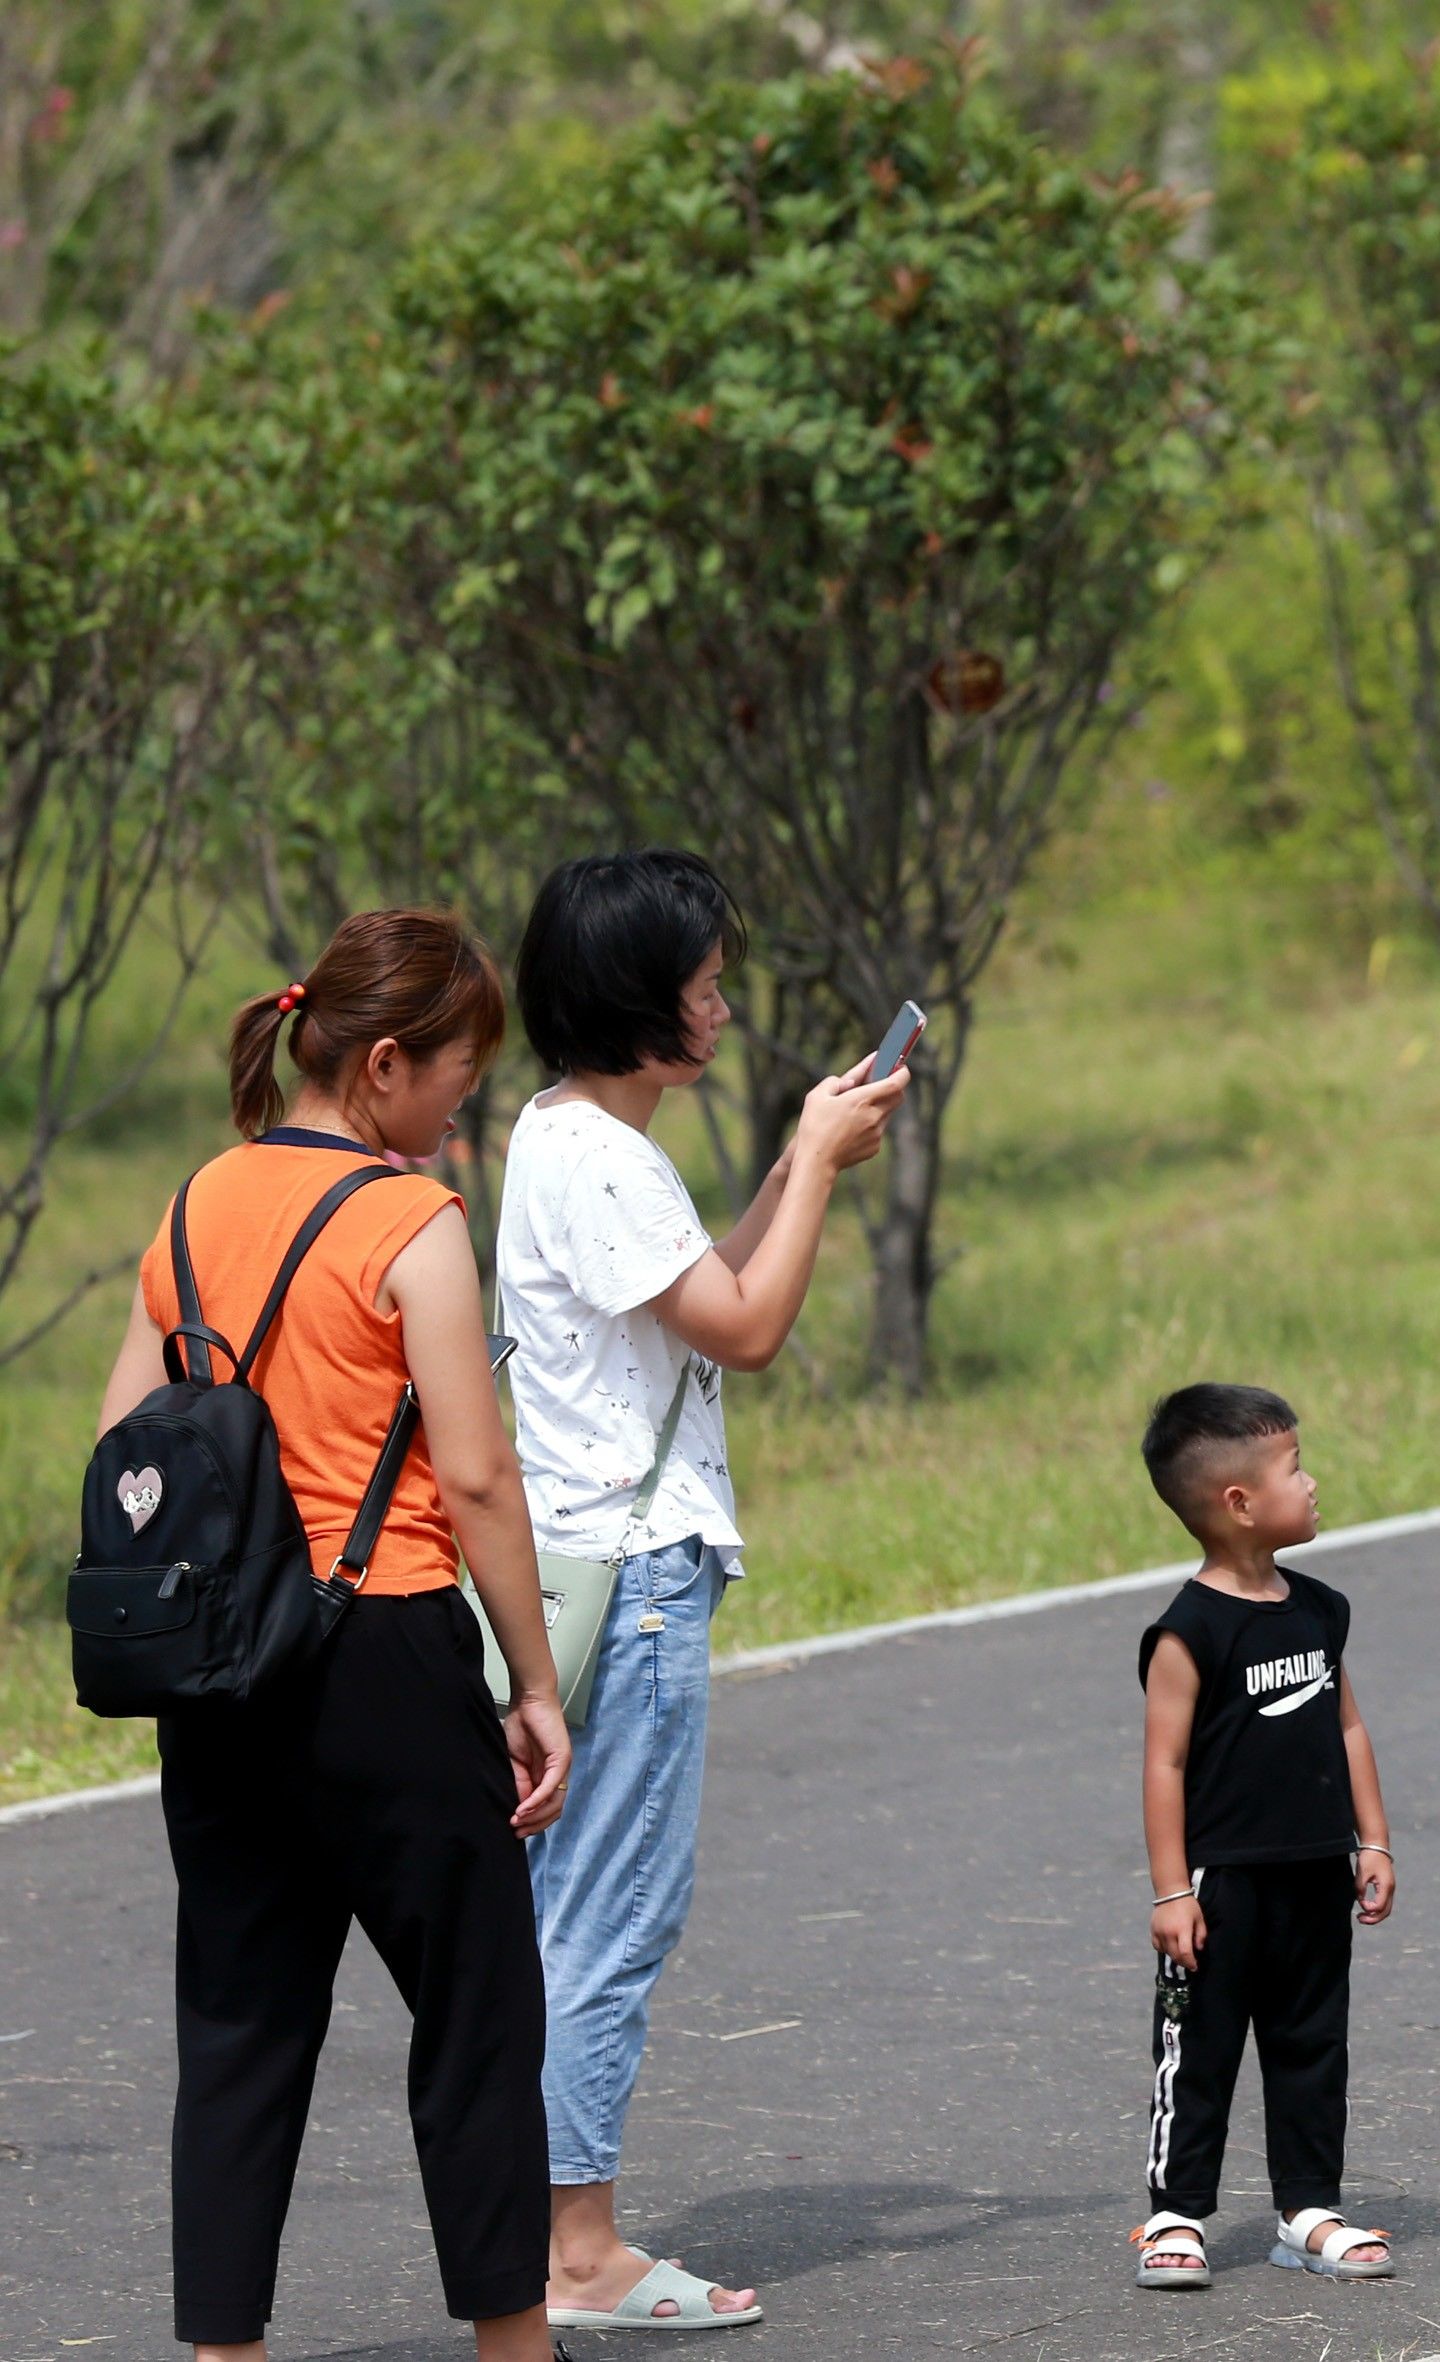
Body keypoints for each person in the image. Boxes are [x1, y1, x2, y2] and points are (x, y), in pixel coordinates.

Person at [91, 911, 570, 2362]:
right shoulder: (409, 1222)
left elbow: (123, 1436)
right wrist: (535, 1680)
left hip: (222, 1668)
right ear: (380, 1064)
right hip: (386, 1652)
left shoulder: (190, 1205)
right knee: (477, 2007)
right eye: (454, 1079)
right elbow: (477, 1475)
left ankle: (221, 2353)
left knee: (240, 2019)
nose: (457, 1110)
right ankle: (513, 2344)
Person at [500, 851, 908, 2331]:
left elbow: (691, 1293)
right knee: (611, 1914)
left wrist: (799, 1166)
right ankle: (579, 2251)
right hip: (637, 1574)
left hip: (587, 1565)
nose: (723, 1002)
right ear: (635, 999)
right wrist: (811, 1164)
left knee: (568, 1910)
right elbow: (745, 1327)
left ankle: (547, 2226)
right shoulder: (601, 1156)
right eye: (703, 980)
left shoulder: (566, 1136)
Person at [1130, 1384, 1399, 2293]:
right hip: (1222, 1885)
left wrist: (1373, 1840)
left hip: (1314, 1872)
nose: (1312, 1481)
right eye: (1294, 1467)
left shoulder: (1320, 1609)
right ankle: (1175, 2211)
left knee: (1312, 2043)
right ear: (1238, 1503)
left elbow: (1348, 1727)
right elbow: (1163, 1765)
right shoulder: (1189, 1631)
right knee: (1199, 2048)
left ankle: (1307, 2208)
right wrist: (1173, 1891)